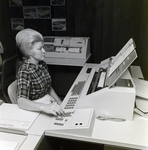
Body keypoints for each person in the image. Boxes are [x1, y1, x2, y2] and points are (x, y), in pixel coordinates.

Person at [16, 28, 64, 116]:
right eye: (40, 49)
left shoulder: (42, 64)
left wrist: (59, 101)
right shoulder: (25, 71)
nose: (44, 51)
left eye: (43, 47)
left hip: (46, 103)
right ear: (29, 51)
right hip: (34, 109)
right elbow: (21, 101)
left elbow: (48, 87)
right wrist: (45, 107)